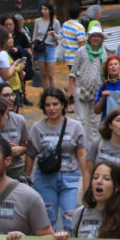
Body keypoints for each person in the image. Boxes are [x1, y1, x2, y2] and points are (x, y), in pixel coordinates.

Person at [26, 88, 90, 231]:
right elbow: (30, 155)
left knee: (70, 219)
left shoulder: (75, 127)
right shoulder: (37, 128)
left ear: (63, 105)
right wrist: (27, 180)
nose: (52, 108)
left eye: (55, 104)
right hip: (45, 178)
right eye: (48, 105)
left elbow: (82, 156)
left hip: (70, 177)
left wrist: (87, 183)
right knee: (47, 220)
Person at [69, 22, 107, 137]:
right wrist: (70, 89)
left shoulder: (103, 53)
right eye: (93, 36)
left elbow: (104, 73)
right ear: (89, 38)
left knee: (94, 121)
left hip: (96, 89)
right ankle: (80, 144)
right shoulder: (81, 51)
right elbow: (73, 72)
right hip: (81, 87)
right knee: (80, 120)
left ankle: (92, 147)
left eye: (98, 36)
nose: (96, 39)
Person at [0, 90, 28, 179]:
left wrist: (20, 149)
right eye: (5, 114)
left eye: (12, 95)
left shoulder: (19, 120)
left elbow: (26, 145)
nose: (7, 117)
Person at [33, 2, 60, 90]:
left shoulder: (55, 22)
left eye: (45, 9)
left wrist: (54, 35)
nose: (43, 11)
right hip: (40, 48)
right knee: (43, 74)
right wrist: (33, 48)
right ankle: (46, 93)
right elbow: (35, 35)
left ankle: (55, 92)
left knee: (51, 74)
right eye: (42, 9)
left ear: (50, 10)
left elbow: (59, 38)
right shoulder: (38, 21)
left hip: (50, 47)